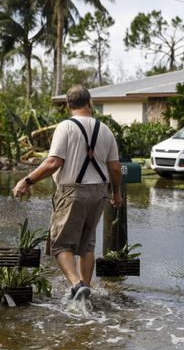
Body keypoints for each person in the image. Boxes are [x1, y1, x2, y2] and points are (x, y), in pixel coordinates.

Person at [12, 85, 122, 300]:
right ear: (89, 103)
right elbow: (115, 168)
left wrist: (28, 180)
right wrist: (116, 193)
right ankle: (85, 290)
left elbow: (53, 162)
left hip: (72, 191)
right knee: (87, 244)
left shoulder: (66, 127)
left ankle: (76, 284)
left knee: (60, 244)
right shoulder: (105, 129)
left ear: (68, 105)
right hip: (100, 191)